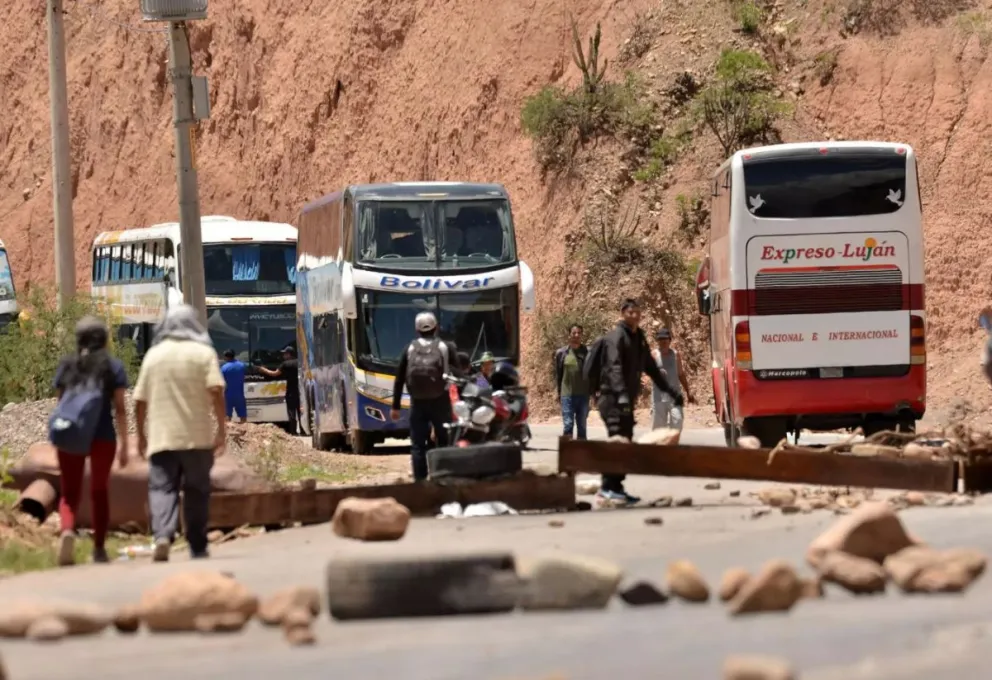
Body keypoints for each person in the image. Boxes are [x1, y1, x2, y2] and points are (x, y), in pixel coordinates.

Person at [134, 305, 227, 562]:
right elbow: (217, 391)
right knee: (197, 490)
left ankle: (162, 536)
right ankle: (197, 546)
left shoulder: (153, 356)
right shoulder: (204, 353)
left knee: (162, 488)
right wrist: (221, 428)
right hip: (197, 438)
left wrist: (141, 434)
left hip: (162, 437)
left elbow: (139, 400)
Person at [50, 317, 129, 566]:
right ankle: (99, 549)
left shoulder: (67, 365)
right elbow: (120, 409)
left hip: (71, 431)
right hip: (103, 436)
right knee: (99, 491)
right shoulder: (113, 367)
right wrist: (126, 443)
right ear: (104, 339)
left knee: (69, 492)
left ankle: (67, 531)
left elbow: (61, 404)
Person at [595, 299, 684, 505]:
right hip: (612, 400)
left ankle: (615, 487)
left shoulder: (638, 338)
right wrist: (622, 395)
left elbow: (651, 369)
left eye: (638, 312)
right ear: (622, 313)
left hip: (624, 401)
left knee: (624, 442)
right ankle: (607, 489)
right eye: (630, 312)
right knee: (618, 442)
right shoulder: (616, 338)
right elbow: (614, 368)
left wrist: (671, 391)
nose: (635, 316)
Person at [390, 311, 458, 481]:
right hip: (441, 401)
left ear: (416, 329)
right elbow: (460, 371)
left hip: (417, 402)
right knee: (443, 441)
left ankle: (420, 482)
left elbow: (399, 378)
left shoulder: (410, 348)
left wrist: (396, 406)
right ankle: (442, 476)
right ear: (436, 328)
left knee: (418, 445)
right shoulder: (446, 347)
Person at [650, 328, 695, 431]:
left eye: (665, 339)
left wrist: (688, 392)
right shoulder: (653, 355)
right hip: (658, 398)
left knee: (677, 421)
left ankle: (672, 445)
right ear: (658, 341)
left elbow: (681, 374)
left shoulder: (675, 355)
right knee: (659, 429)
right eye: (660, 339)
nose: (663, 342)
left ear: (670, 340)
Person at [554, 324, 590, 440]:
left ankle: (582, 455)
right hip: (567, 395)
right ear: (569, 335)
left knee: (582, 426)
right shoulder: (561, 353)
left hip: (583, 395)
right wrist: (558, 392)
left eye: (579, 333)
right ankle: (567, 454)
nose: (576, 335)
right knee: (568, 424)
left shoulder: (587, 352)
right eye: (574, 333)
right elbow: (558, 375)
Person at [256, 346, 301, 435]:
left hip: (291, 392)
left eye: (284, 353)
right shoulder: (299, 362)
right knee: (300, 411)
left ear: (288, 354)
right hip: (300, 391)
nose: (283, 355)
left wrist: (262, 369)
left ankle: (293, 431)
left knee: (291, 412)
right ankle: (303, 430)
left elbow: (274, 374)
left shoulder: (285, 364)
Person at [220, 349, 248, 424]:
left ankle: (228, 432)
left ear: (226, 357)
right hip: (239, 395)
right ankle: (245, 432)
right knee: (243, 417)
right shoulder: (242, 365)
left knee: (227, 417)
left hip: (228, 395)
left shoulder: (224, 368)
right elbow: (255, 368)